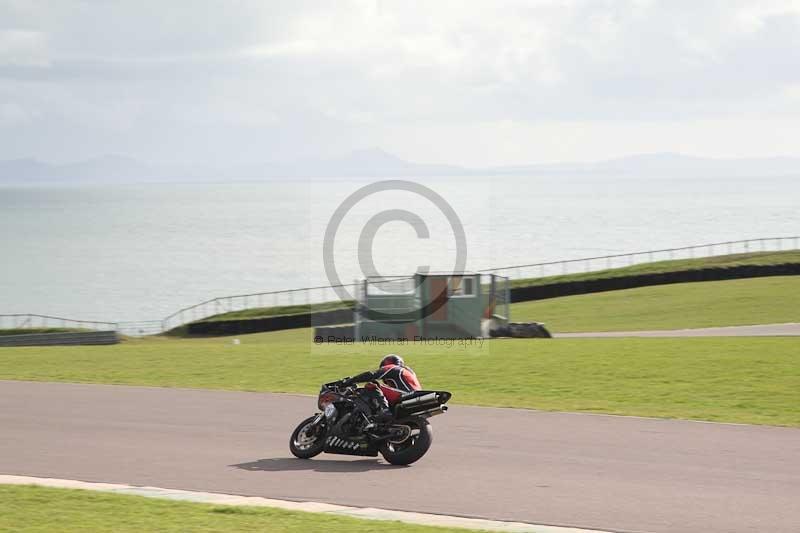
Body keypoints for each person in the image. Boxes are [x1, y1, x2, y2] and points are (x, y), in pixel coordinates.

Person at [337, 354, 421, 422]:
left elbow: (371, 375)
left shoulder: (393, 368)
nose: (388, 383)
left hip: (405, 395)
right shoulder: (408, 372)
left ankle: (385, 411)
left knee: (372, 384)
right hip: (415, 396)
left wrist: (349, 381)